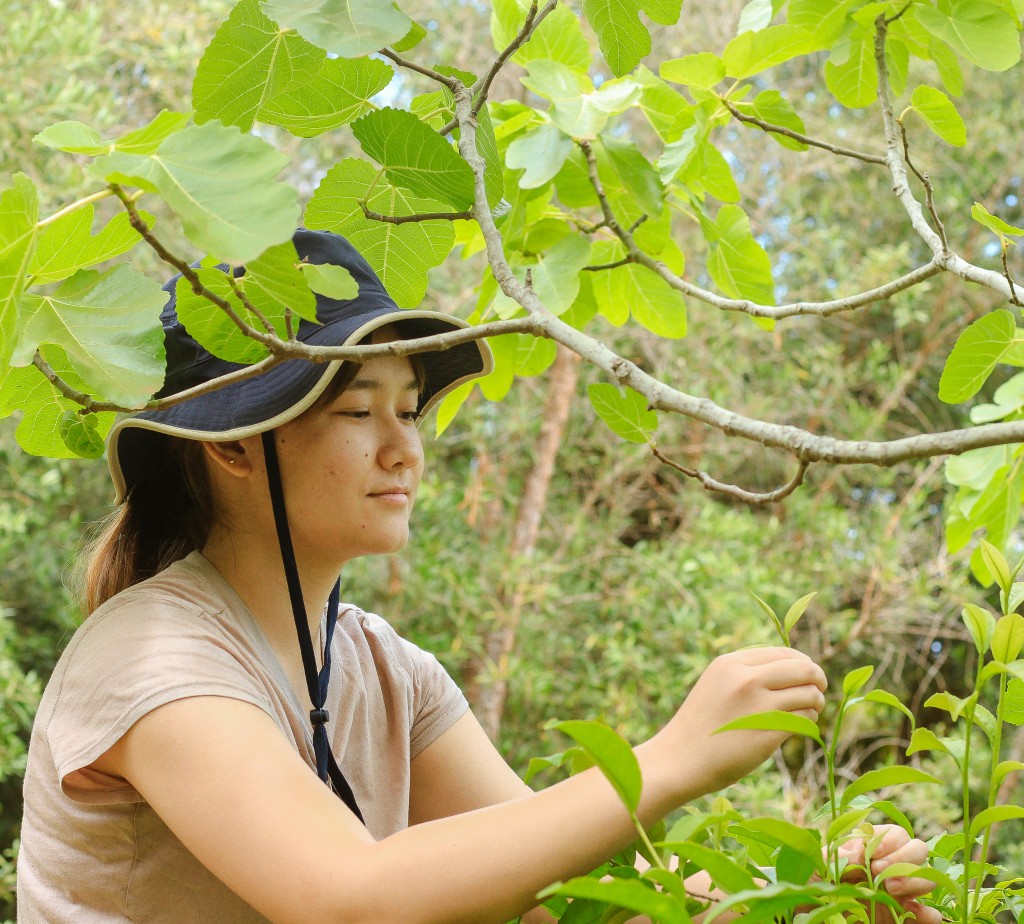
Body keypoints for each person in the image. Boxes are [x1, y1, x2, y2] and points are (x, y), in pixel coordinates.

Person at [17, 230, 937, 923]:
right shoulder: (152, 656)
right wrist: (673, 757)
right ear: (235, 453)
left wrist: (814, 886)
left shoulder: (385, 670)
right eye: (355, 410)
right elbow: (351, 897)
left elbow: (570, 895)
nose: (402, 449)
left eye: (410, 410)